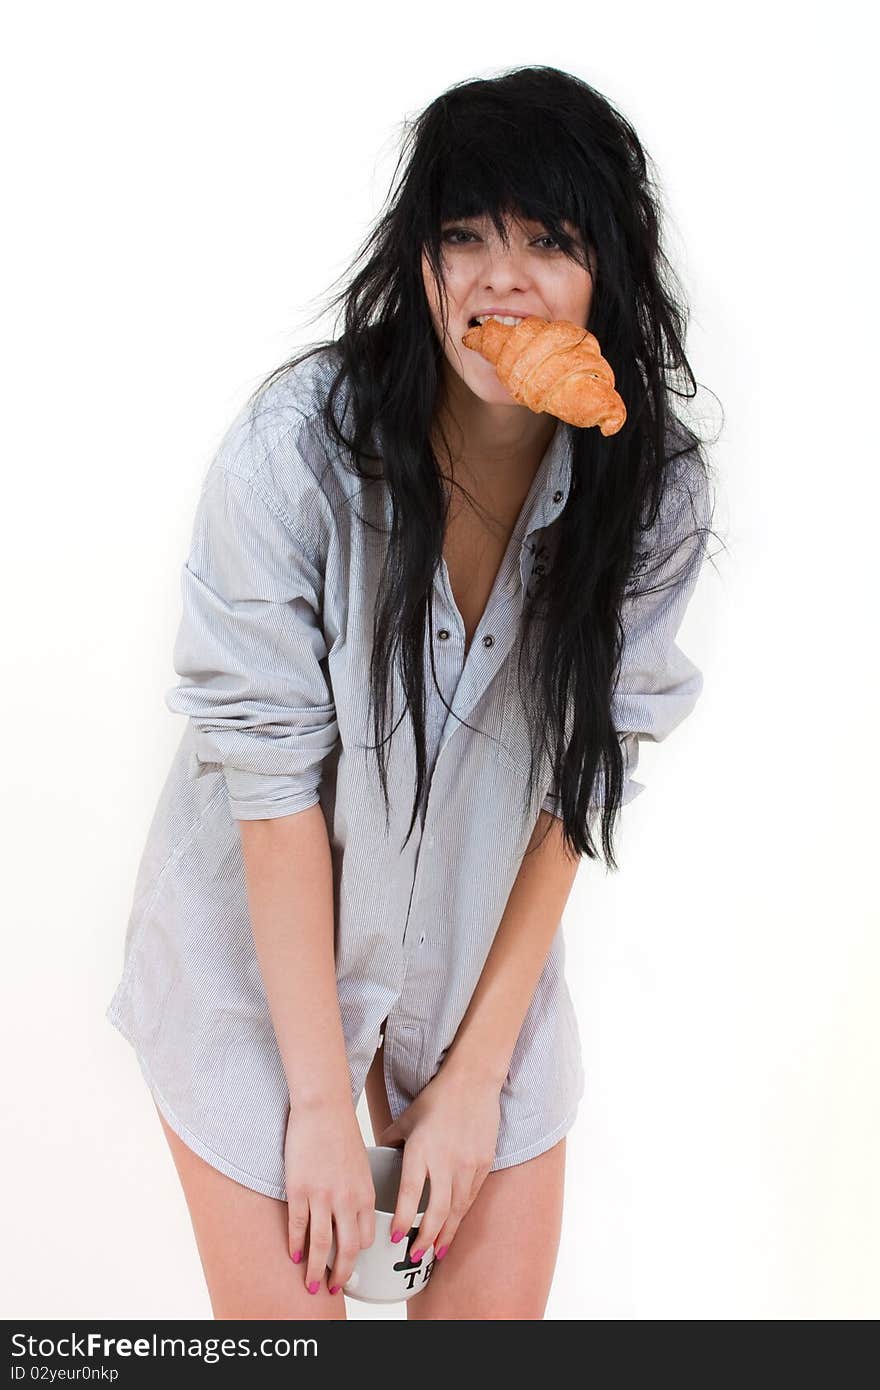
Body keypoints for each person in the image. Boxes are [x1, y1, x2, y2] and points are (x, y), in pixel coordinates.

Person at [105, 64, 717, 1320]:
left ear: (609, 271)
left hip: (479, 980)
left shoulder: (650, 494)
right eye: (463, 237)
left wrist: (482, 1070)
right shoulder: (297, 453)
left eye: (548, 240)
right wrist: (321, 1105)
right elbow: (267, 788)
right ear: (419, 264)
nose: (501, 278)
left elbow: (582, 783)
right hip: (254, 983)